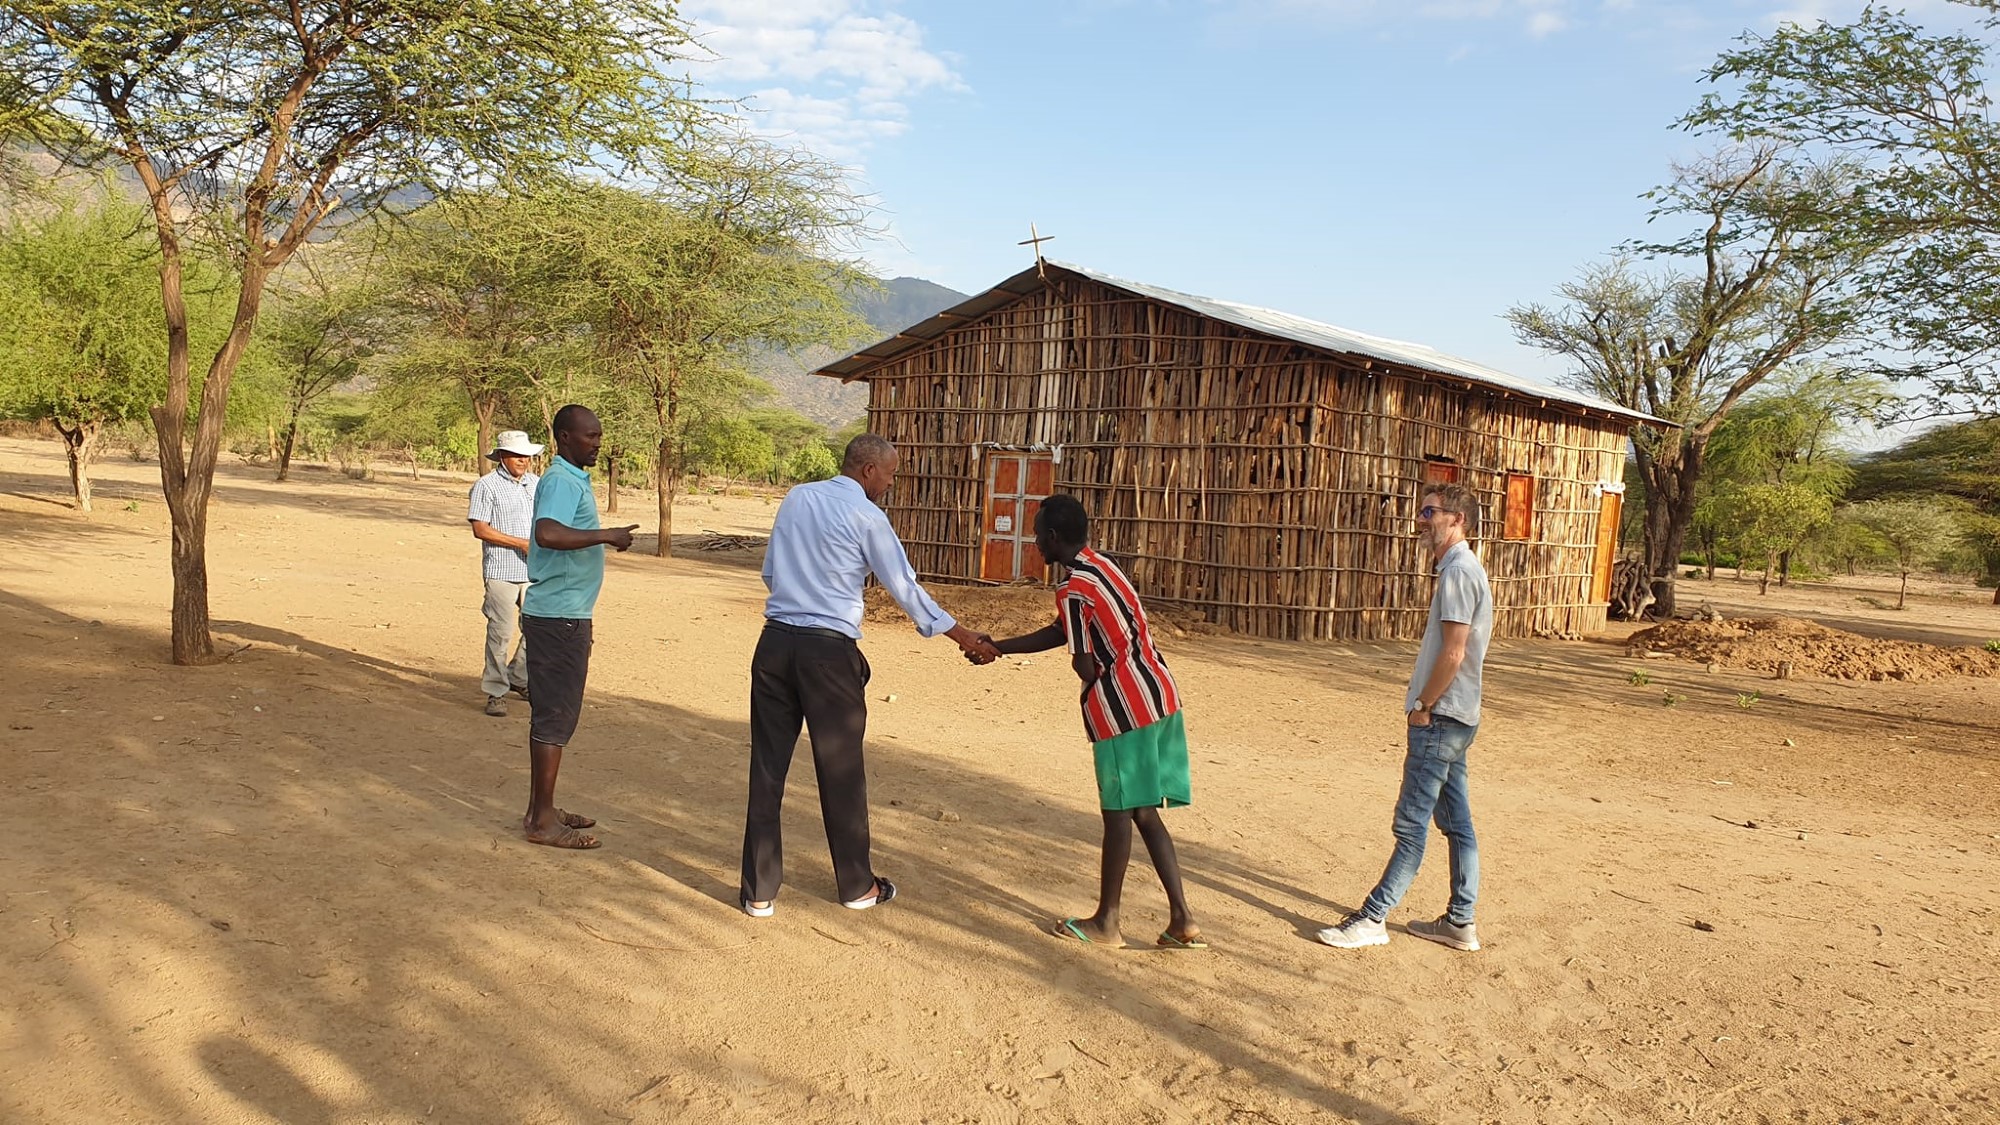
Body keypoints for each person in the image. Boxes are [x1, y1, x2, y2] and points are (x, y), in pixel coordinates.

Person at [739, 434, 1000, 917]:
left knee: (768, 768)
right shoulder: (867, 516)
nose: (890, 483)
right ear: (868, 471)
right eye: (890, 475)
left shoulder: (797, 498)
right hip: (828, 655)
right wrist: (963, 636)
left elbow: (771, 574)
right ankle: (857, 886)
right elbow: (905, 587)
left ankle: (759, 892)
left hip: (774, 645)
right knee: (840, 772)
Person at [979, 495, 1203, 949]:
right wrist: (1000, 646)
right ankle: (1182, 919)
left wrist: (1004, 649)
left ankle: (1107, 922)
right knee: (1143, 810)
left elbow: (1082, 660)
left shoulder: (1073, 588)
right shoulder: (1103, 567)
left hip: (1122, 708)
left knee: (1118, 813)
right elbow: (1064, 629)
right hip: (1158, 693)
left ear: (1053, 538)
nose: (1036, 541)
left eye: (1039, 533)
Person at [1317, 481, 1492, 952]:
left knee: (1411, 825)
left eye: (1430, 512)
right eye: (1421, 512)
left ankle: (1373, 918)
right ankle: (1460, 921)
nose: (1421, 521)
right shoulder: (1466, 568)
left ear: (1457, 520)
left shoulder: (1457, 571)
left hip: (1441, 717)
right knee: (1457, 823)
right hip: (1460, 716)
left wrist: (1423, 706)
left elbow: (1453, 653)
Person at [519, 405, 638, 850]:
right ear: (564, 437)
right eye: (589, 436)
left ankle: (540, 809)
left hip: (565, 614)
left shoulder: (570, 480)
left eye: (599, 435)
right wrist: (606, 535)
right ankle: (542, 823)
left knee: (553, 714)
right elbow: (548, 533)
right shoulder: (559, 481)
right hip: (558, 616)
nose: (597, 443)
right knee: (555, 717)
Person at [467, 430, 542, 717]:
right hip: (501, 568)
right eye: (518, 455)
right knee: (500, 632)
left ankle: (518, 675)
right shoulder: (486, 486)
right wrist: (521, 543)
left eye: (527, 455)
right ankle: (496, 691)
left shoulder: (536, 484)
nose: (524, 460)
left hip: (534, 569)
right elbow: (480, 529)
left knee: (537, 628)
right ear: (502, 456)